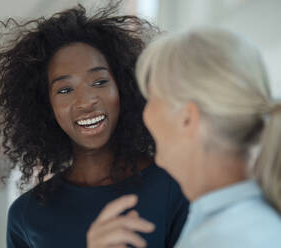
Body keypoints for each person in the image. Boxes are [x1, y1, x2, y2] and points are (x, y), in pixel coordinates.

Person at [0, 2, 188, 248]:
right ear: (47, 107)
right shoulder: (27, 216)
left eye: (99, 82)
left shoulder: (174, 187)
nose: (86, 102)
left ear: (123, 87)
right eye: (65, 89)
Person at [89, 27, 281, 247]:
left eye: (151, 97)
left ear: (187, 118)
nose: (144, 113)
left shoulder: (223, 238)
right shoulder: (236, 224)